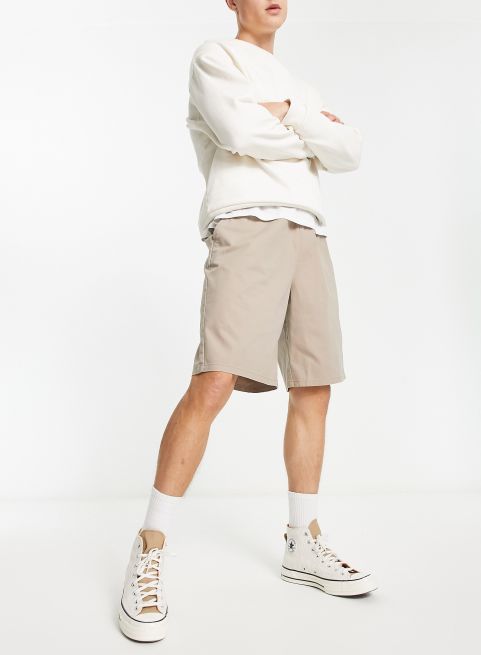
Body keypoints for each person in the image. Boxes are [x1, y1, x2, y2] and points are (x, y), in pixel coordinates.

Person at [118, 0, 378, 643]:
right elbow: (239, 132)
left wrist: (288, 113)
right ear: (232, 1)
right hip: (245, 222)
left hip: (308, 230)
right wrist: (309, 134)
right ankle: (149, 545)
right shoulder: (216, 58)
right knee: (215, 379)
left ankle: (302, 541)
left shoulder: (301, 88)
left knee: (315, 385)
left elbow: (348, 150)